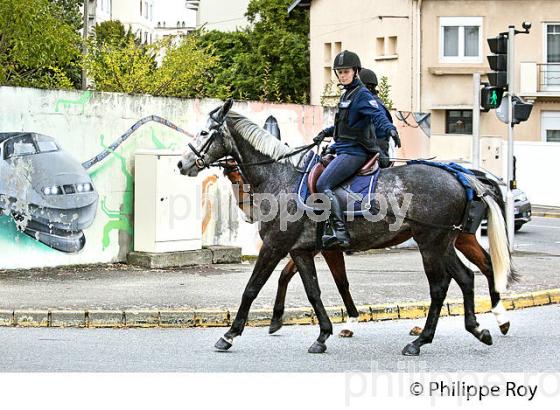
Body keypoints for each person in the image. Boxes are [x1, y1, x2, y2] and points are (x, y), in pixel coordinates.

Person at [313, 50, 399, 249]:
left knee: (323, 184)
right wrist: (325, 133)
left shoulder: (361, 94)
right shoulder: (347, 94)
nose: (343, 75)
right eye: (339, 72)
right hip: (344, 149)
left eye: (346, 71)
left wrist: (390, 129)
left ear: (355, 71)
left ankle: (340, 232)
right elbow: (346, 126)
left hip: (354, 153)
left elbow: (377, 115)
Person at [358, 68, 401, 168]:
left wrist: (390, 129)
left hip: (375, 155)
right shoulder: (374, 102)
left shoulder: (371, 104)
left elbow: (379, 121)